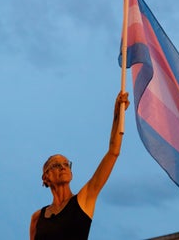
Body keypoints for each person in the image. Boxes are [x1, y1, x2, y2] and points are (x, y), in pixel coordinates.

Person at [29, 91, 129, 240]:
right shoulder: (37, 218)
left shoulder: (84, 199)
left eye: (66, 164)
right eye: (56, 165)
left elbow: (113, 152)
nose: (63, 167)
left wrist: (117, 115)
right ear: (45, 177)